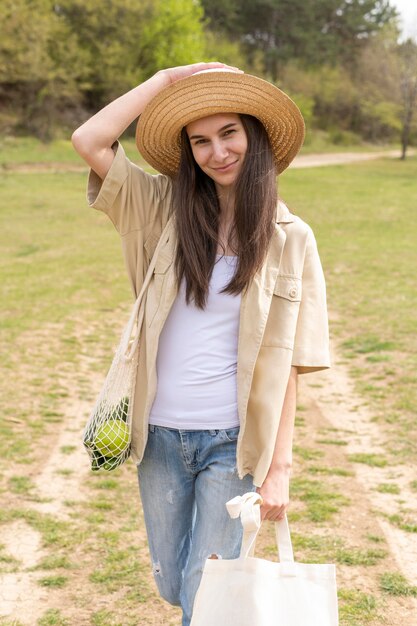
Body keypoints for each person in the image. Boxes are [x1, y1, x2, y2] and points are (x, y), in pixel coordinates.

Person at [72, 61, 330, 626]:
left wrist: (279, 467)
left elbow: (291, 364)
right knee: (174, 579)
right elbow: (89, 139)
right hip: (158, 437)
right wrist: (166, 82)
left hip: (233, 444)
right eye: (201, 141)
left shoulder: (293, 240)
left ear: (254, 137)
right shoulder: (160, 210)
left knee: (209, 591)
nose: (218, 152)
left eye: (229, 133)